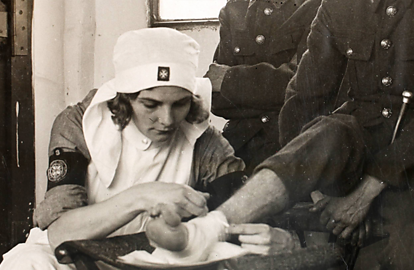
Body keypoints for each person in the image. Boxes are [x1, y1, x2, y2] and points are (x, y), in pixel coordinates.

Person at [148, 0, 414, 268]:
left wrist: (368, 189)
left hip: (405, 161)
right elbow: (304, 98)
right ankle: (204, 231)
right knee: (333, 129)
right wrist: (320, 192)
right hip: (351, 150)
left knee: (396, 255)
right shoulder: (340, 6)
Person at [0, 27, 246, 270]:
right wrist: (143, 196)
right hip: (73, 254)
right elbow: (61, 232)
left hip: (154, 257)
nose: (167, 119)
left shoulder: (203, 139)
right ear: (125, 97)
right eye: (151, 104)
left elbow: (241, 213)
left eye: (179, 104)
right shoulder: (80, 123)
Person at [206, 0, 322, 173]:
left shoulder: (321, 7)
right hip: (239, 148)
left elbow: (308, 88)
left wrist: (231, 81)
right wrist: (277, 94)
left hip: (294, 148)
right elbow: (216, 98)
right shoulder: (235, 8)